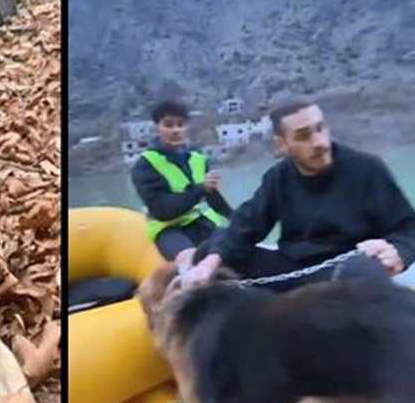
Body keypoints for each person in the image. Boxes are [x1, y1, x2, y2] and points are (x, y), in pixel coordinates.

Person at [178, 101, 415, 292]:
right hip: (294, 269)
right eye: (303, 136)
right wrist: (209, 263)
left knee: (366, 269)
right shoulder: (278, 177)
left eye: (320, 128)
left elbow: (408, 228)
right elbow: (246, 225)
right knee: (210, 252)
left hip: (347, 269)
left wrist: (399, 252)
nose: (319, 143)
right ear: (282, 145)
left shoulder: (367, 169)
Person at [132, 100, 233, 260]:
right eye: (169, 125)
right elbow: (162, 211)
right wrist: (200, 189)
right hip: (168, 228)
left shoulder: (197, 158)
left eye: (180, 124)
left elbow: (212, 197)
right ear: (157, 128)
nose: (176, 130)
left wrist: (235, 217)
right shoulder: (145, 165)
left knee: (234, 245)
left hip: (200, 222)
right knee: (188, 260)